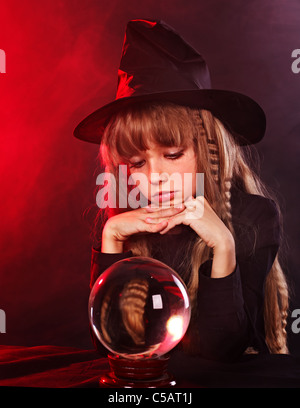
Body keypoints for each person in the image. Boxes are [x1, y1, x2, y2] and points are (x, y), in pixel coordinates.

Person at [74, 19, 289, 362]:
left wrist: (223, 245)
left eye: (172, 154)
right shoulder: (122, 222)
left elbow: (221, 355)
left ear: (208, 149)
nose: (155, 176)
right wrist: (111, 238)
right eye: (137, 164)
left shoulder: (254, 216)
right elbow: (110, 348)